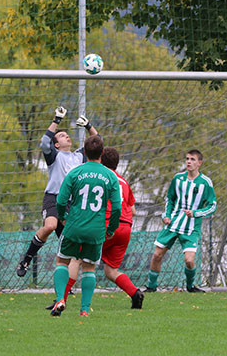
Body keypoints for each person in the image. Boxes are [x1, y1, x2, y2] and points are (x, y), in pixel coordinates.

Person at [17, 106, 98, 304]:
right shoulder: (54, 156)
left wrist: (88, 126)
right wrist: (56, 120)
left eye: (67, 135)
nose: (66, 137)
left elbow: (98, 142)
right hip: (54, 198)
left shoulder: (79, 156)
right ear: (56, 144)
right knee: (50, 225)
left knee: (73, 254)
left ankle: (62, 294)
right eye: (62, 136)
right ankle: (27, 259)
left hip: (73, 204)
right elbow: (45, 141)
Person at [48, 135, 121, 317]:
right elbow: (117, 207)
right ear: (102, 153)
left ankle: (60, 300)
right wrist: (110, 229)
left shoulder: (75, 172)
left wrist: (63, 217)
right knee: (89, 268)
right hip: (96, 229)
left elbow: (61, 199)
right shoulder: (110, 176)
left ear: (85, 153)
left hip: (74, 225)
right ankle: (85, 310)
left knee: (62, 261)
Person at [144, 149, 216, 293]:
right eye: (187, 159)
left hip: (190, 228)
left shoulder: (205, 183)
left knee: (189, 261)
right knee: (157, 255)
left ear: (199, 163)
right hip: (173, 224)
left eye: (193, 159)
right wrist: (166, 215)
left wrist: (195, 213)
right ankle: (151, 287)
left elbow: (212, 206)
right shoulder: (177, 179)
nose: (189, 162)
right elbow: (169, 199)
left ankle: (190, 286)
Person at [100, 147, 145, 309]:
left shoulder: (101, 177)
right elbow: (133, 210)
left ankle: (61, 300)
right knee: (111, 270)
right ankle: (135, 293)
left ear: (100, 160)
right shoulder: (124, 182)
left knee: (77, 258)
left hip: (107, 223)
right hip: (125, 227)